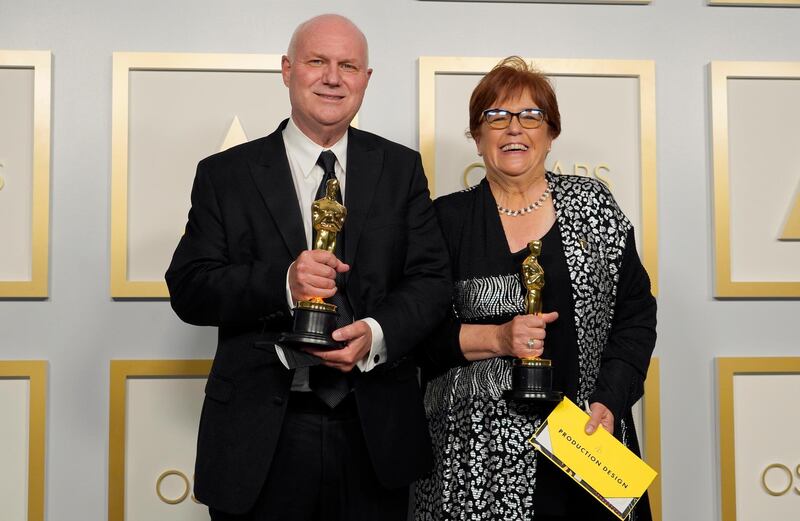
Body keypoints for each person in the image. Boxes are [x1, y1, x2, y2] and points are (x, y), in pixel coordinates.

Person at [166, 14, 450, 521]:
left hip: (375, 432)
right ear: (287, 69)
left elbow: (431, 280)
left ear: (366, 79)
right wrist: (285, 284)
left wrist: (377, 334)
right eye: (317, 61)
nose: (333, 78)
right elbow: (189, 287)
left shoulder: (401, 168)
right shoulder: (224, 175)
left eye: (348, 66)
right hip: (260, 436)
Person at [414, 56, 656, 521]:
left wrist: (609, 399)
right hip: (475, 466)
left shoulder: (594, 205)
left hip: (589, 441)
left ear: (551, 133)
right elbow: (415, 336)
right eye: (496, 117)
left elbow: (636, 314)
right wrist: (496, 338)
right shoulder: (444, 221)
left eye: (530, 116)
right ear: (477, 136)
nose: (513, 129)